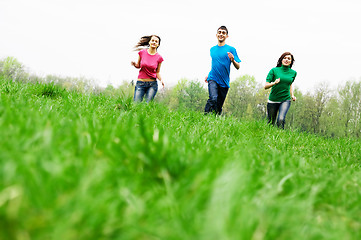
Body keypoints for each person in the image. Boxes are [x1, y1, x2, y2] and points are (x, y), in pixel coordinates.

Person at [204, 26, 241, 115]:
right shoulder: (212, 49)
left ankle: (214, 121)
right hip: (213, 78)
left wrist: (232, 60)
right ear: (216, 35)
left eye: (223, 33)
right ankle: (204, 117)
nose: (221, 34)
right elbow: (215, 64)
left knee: (218, 107)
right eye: (219, 32)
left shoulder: (231, 49)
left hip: (224, 82)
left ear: (227, 36)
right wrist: (209, 74)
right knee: (213, 98)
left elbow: (238, 66)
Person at [264, 52, 297, 129]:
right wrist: (274, 83)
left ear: (291, 61)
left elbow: (290, 84)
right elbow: (266, 86)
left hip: (285, 99)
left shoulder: (293, 73)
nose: (286, 60)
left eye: (289, 59)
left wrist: (292, 95)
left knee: (281, 120)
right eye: (285, 58)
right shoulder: (274, 70)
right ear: (281, 60)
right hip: (273, 99)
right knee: (270, 123)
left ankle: (281, 138)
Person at [131, 35, 164, 102]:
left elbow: (157, 72)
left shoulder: (159, 58)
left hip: (152, 84)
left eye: (156, 41)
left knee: (147, 105)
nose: (154, 42)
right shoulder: (142, 53)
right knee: (136, 104)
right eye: (152, 40)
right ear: (149, 42)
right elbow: (139, 65)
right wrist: (135, 65)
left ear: (158, 45)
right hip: (140, 83)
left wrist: (161, 80)